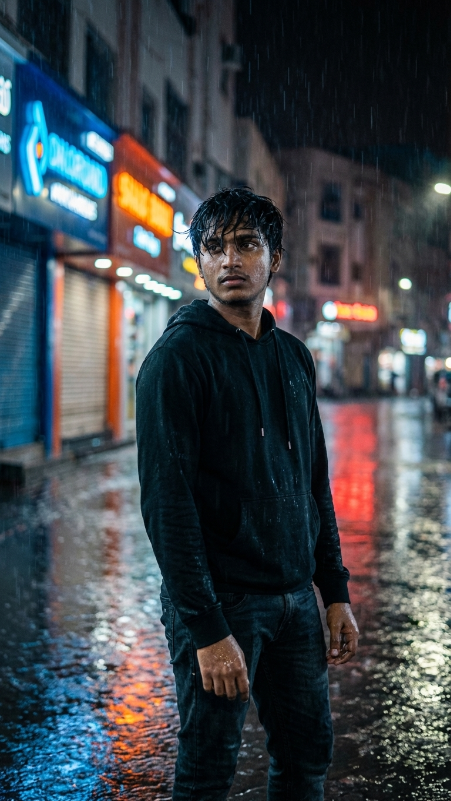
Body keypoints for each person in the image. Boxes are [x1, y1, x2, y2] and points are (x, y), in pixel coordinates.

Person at [136, 187, 359, 801]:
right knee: (208, 771)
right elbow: (167, 504)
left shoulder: (293, 357)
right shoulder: (175, 360)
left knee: (307, 759)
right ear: (200, 263)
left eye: (245, 244)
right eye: (213, 247)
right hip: (222, 603)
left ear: (275, 257)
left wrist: (333, 590)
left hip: (294, 605)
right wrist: (206, 630)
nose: (228, 259)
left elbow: (313, 481)